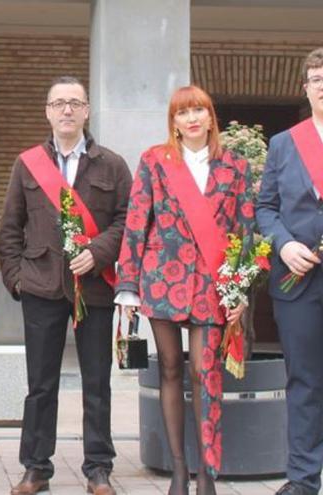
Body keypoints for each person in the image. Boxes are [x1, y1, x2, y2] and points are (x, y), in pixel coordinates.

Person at [116, 85, 254, 495]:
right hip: (163, 279)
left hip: (213, 283)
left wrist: (240, 288)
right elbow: (137, 221)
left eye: (200, 110)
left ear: (211, 118)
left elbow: (245, 232)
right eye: (183, 112)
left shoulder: (235, 166)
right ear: (173, 122)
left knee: (204, 372)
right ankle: (179, 468)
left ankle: (207, 471)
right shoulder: (154, 162)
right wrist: (128, 284)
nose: (192, 118)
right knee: (171, 368)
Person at [0, 76, 131, 495]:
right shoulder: (27, 163)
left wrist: (100, 252)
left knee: (96, 381)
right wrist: (16, 280)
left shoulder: (112, 164)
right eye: (59, 103)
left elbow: (127, 220)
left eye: (75, 102)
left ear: (87, 110)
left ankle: (98, 467)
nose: (67, 110)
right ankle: (36, 467)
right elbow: (10, 228)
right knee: (41, 384)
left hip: (94, 288)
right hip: (40, 287)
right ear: (48, 111)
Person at [256, 47, 323, 495]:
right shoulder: (285, 143)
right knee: (304, 381)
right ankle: (302, 479)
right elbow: (265, 207)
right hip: (300, 279)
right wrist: (285, 244)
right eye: (317, 79)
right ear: (306, 88)